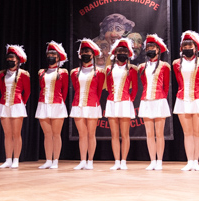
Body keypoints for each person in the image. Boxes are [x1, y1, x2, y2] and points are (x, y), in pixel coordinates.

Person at [173, 30, 199, 171]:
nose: (188, 49)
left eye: (190, 46)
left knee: (197, 132)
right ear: (182, 48)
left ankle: (196, 161)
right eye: (185, 47)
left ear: (196, 47)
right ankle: (189, 161)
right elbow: (178, 81)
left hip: (198, 99)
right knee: (187, 133)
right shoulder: (176, 63)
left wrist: (196, 92)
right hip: (182, 99)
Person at [70, 39, 105, 170]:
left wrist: (93, 101)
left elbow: (99, 90)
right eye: (83, 52)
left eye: (88, 52)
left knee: (91, 134)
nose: (85, 54)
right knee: (82, 134)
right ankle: (82, 160)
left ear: (93, 54)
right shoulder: (74, 72)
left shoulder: (99, 72)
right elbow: (76, 88)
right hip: (78, 105)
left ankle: (90, 161)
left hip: (92, 105)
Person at [137, 34, 171, 170]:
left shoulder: (164, 66)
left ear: (158, 50)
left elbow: (166, 86)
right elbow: (144, 83)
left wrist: (161, 97)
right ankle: (152, 160)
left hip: (159, 100)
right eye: (148, 48)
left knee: (159, 133)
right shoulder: (142, 67)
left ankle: (160, 161)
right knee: (149, 134)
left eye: (153, 48)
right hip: (146, 100)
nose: (150, 50)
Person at [104, 38, 138, 170]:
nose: (122, 54)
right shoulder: (109, 69)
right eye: (120, 52)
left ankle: (123, 161)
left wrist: (129, 100)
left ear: (128, 54)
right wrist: (112, 97)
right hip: (112, 102)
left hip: (125, 102)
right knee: (114, 135)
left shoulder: (132, 69)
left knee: (124, 134)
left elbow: (135, 88)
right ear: (115, 54)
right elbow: (109, 85)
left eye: (124, 52)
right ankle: (116, 161)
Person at [36, 41, 69, 169]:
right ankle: (48, 160)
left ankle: (55, 160)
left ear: (58, 58)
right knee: (47, 134)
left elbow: (65, 90)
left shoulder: (63, 72)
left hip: (57, 104)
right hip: (43, 104)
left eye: (53, 56)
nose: (51, 58)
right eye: (49, 55)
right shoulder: (41, 72)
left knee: (56, 134)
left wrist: (60, 102)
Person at [0, 44, 30, 169]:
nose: (10, 61)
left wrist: (22, 103)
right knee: (7, 134)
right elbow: (2, 90)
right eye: (8, 59)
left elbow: (27, 91)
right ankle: (8, 159)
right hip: (4, 104)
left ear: (18, 60)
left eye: (13, 59)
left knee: (16, 133)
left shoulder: (23, 74)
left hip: (17, 105)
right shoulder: (2, 74)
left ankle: (16, 159)